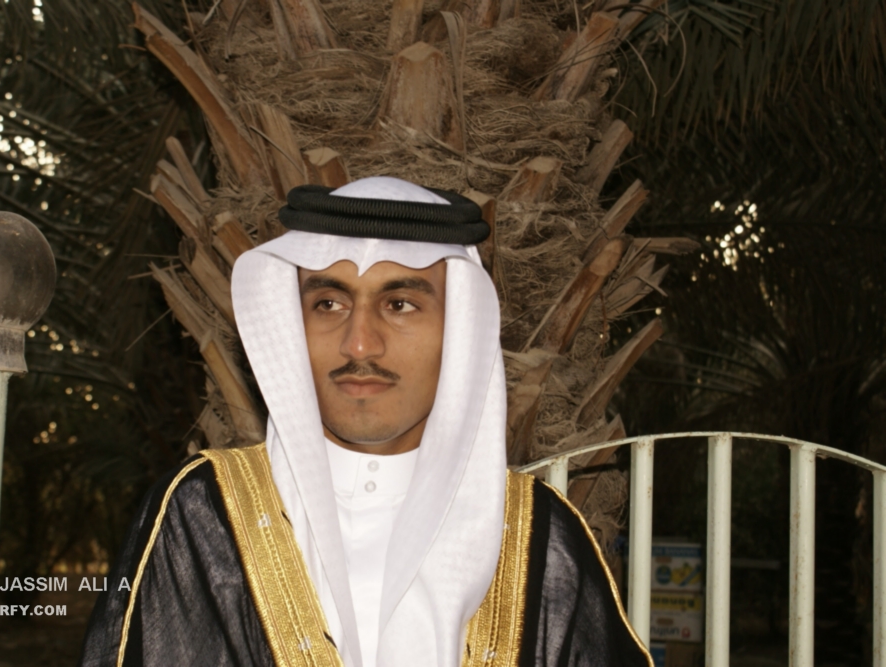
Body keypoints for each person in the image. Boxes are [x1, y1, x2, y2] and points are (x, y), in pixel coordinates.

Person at [78, 177, 652, 667]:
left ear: (460, 331)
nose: (358, 343)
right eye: (328, 303)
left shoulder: (538, 536)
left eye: (400, 304)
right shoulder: (204, 514)